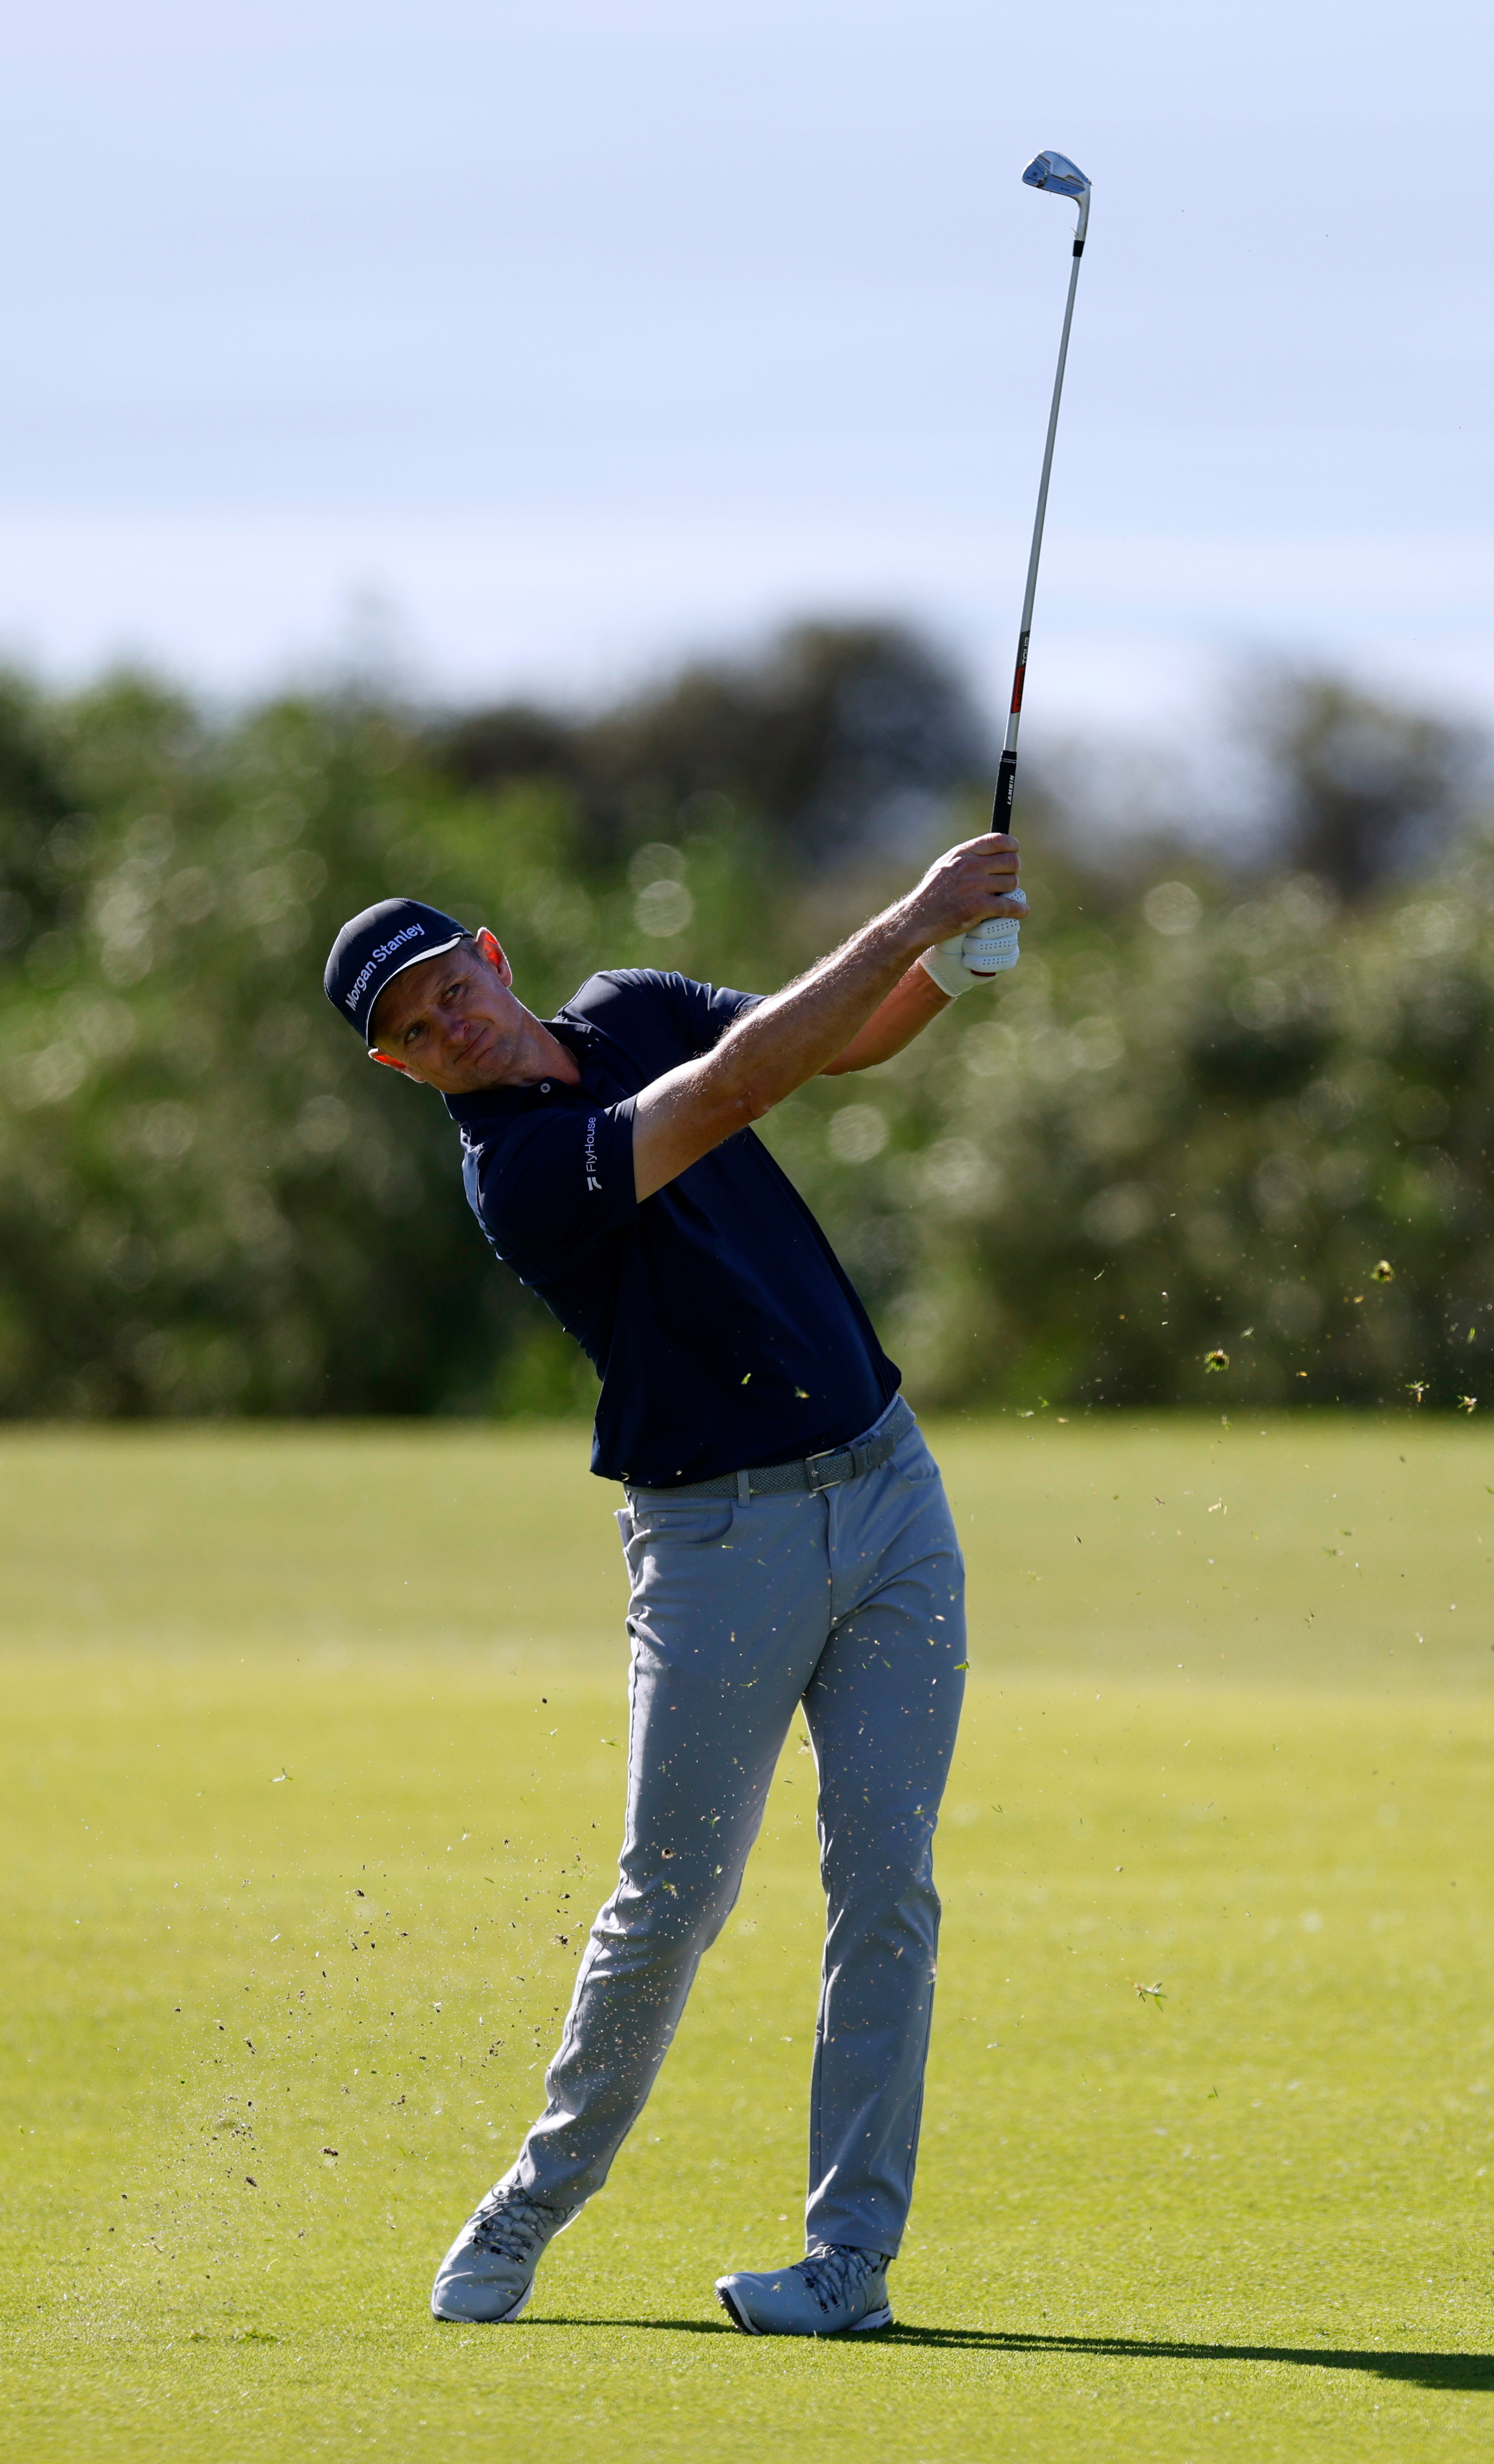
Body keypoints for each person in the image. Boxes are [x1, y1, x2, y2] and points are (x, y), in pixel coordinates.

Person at [322, 830, 1029, 2338]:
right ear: (401, 1070)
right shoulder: (515, 1174)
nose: (449, 1025)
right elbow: (735, 1091)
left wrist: (949, 967)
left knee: (886, 1886)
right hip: (720, 1547)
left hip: (889, 1491)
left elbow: (835, 1041)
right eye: (416, 1030)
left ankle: (848, 2261)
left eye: (450, 987)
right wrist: (910, 909)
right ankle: (532, 2199)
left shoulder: (633, 1001)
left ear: (492, 958)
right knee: (671, 1904)